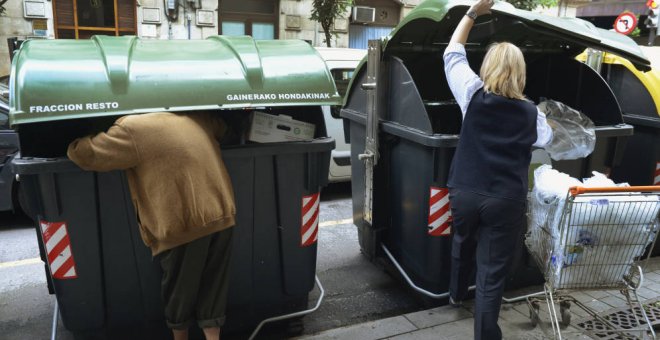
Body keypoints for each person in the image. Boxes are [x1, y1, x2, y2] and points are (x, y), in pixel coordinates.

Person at [67, 111, 236, 340]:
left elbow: (88, 155)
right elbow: (223, 127)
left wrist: (73, 142)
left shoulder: (131, 129)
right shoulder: (194, 117)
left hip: (183, 224)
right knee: (214, 289)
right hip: (221, 214)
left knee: (178, 293)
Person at [443, 1, 553, 339]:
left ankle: (456, 293)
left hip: (465, 191)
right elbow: (546, 139)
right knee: (491, 275)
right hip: (505, 200)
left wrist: (473, 12)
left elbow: (452, 53)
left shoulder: (472, 93)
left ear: (487, 67)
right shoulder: (532, 114)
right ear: (521, 73)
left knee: (462, 241)